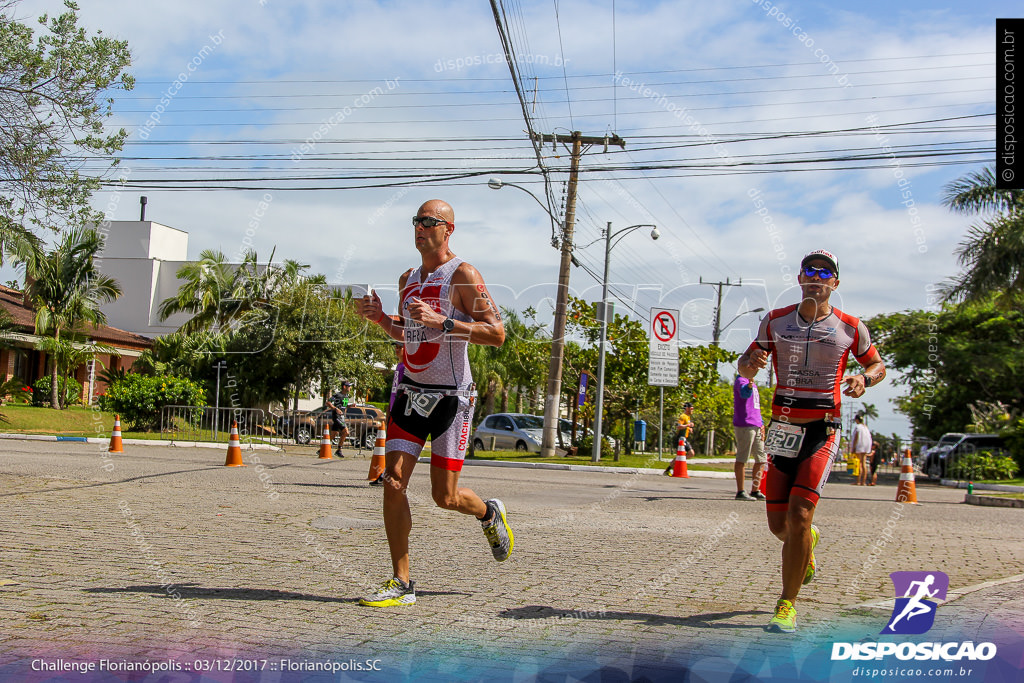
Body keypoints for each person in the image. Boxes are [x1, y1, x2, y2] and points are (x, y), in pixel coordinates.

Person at [355, 199, 511, 607]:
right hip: (410, 391)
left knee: (445, 497)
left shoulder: (462, 275)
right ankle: (401, 582)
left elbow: (496, 334)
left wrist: (443, 321)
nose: (420, 228)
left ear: (448, 230)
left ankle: (488, 514)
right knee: (392, 482)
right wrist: (380, 319)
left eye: (429, 221)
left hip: (451, 399)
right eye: (416, 221)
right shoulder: (407, 279)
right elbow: (406, 335)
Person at [738, 249, 886, 633]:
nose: (817, 276)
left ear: (835, 283)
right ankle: (807, 545)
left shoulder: (851, 327)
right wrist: (748, 364)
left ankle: (786, 605)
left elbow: (877, 365)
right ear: (800, 277)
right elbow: (747, 361)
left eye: (826, 272)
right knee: (779, 526)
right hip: (783, 429)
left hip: (824, 428)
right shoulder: (775, 321)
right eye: (810, 270)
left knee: (800, 514)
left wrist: (863, 379)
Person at [733, 375, 766, 501]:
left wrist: (761, 423)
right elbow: (744, 394)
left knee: (761, 458)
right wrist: (749, 386)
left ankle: (755, 490)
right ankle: (741, 491)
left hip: (756, 423)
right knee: (743, 457)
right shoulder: (741, 381)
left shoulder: (751, 382)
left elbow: (755, 405)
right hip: (745, 424)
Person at [664, 402, 695, 475]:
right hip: (680, 438)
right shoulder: (683, 416)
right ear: (687, 408)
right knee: (690, 453)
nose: (692, 410)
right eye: (691, 409)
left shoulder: (687, 417)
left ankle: (671, 467)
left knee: (686, 454)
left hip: (684, 438)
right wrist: (688, 425)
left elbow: (684, 426)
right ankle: (671, 467)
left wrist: (689, 429)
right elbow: (678, 426)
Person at [325, 381, 352, 457]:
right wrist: (335, 408)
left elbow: (344, 407)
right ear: (344, 387)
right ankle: (339, 449)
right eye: (348, 386)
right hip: (337, 416)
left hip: (342, 417)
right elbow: (328, 403)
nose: (350, 388)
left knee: (333, 434)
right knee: (346, 432)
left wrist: (350, 406)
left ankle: (323, 448)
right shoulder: (338, 395)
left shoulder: (346, 396)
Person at [850, 413, 873, 486]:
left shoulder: (858, 427)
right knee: (864, 464)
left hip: (859, 446)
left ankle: (858, 481)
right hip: (866, 446)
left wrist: (853, 447)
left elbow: (856, 437)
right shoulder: (865, 427)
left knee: (859, 464)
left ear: (857, 420)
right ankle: (863, 481)